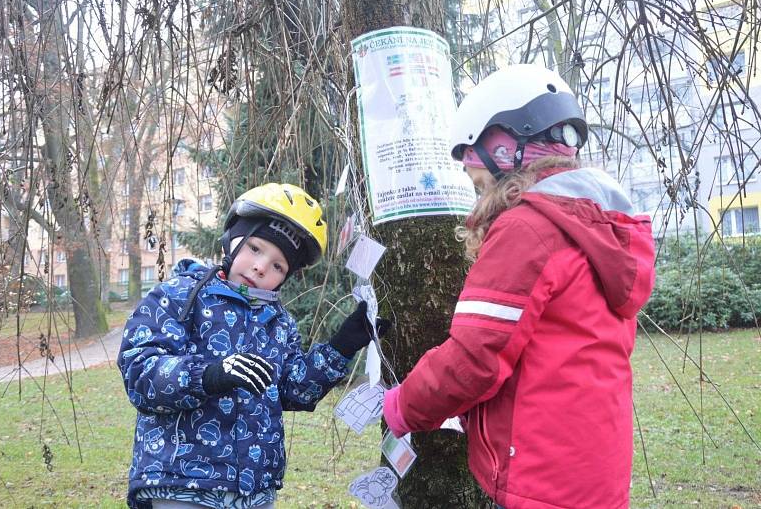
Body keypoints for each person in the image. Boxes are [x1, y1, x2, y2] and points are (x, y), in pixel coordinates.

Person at [382, 64, 656, 509]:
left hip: (541, 479)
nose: (478, 197)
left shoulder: (528, 230)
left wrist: (401, 406)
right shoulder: (597, 227)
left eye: (479, 183)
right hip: (592, 473)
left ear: (506, 152)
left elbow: (472, 360)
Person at [118, 183, 388, 509]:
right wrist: (210, 375)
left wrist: (343, 345)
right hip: (181, 483)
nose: (261, 267)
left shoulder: (278, 321)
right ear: (233, 239)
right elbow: (141, 372)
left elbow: (292, 389)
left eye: (278, 267)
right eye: (256, 249)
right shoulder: (179, 297)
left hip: (252, 492)